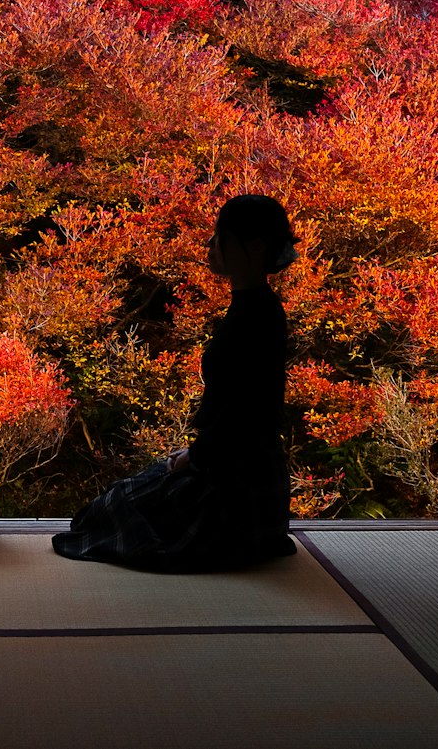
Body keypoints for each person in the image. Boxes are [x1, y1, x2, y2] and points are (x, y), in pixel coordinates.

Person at [52, 194, 299, 571]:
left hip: (233, 482)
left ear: (252, 247)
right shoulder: (260, 308)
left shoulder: (252, 318)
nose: (211, 246)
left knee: (109, 510)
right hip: (252, 474)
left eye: (220, 237)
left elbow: (243, 412)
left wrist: (194, 457)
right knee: (116, 507)